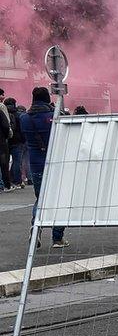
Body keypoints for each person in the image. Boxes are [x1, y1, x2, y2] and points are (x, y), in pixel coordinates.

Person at [19, 87, 67, 248]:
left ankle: (36, 226)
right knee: (59, 199)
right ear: (47, 98)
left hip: (36, 165)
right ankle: (57, 238)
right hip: (56, 162)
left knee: (41, 198)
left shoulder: (24, 118)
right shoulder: (53, 116)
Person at [4, 98, 26, 189]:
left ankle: (7, 180)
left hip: (6, 141)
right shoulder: (19, 115)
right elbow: (22, 129)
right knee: (17, 161)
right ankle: (17, 181)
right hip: (17, 141)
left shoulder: (4, 114)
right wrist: (23, 139)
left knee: (5, 162)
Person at [0, 93, 11, 192]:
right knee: (3, 163)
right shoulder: (1, 108)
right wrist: (6, 136)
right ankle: (4, 184)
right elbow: (6, 125)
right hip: (1, 141)